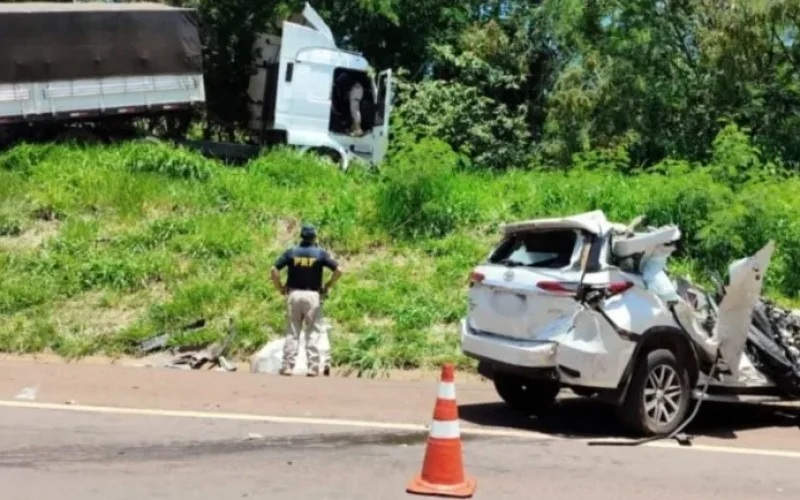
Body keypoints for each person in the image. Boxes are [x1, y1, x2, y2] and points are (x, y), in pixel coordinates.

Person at [270, 224, 342, 377]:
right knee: (313, 331)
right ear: (314, 237)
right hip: (312, 295)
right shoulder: (320, 253)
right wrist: (328, 285)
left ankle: (287, 366)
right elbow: (339, 270)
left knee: (292, 331)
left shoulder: (291, 252)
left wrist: (280, 287)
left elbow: (274, 269)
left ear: (301, 236)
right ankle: (313, 367)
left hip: (294, 294)